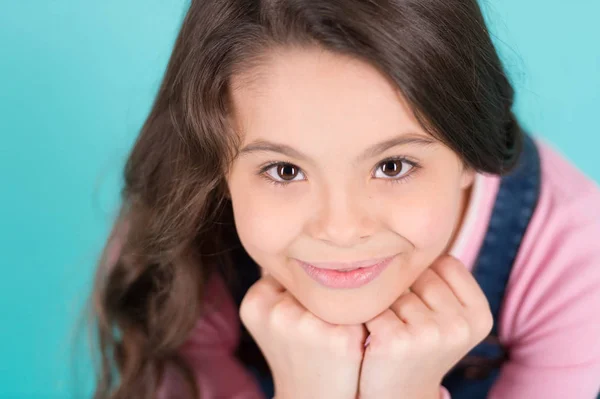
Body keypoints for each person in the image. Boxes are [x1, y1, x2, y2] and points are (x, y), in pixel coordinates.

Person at [87, 0, 600, 398]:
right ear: (216, 164)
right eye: (284, 170)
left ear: (471, 154)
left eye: (392, 166)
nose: (340, 228)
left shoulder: (576, 262)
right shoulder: (175, 250)